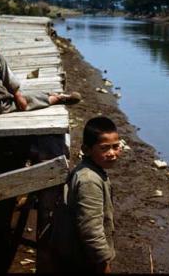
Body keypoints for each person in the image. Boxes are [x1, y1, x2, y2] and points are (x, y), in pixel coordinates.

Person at [0, 9, 81, 121]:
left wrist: (17, 93)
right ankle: (55, 99)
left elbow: (6, 75)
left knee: (23, 97)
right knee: (25, 104)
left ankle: (54, 96)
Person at [53, 116, 120, 273]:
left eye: (115, 146)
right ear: (86, 150)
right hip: (83, 259)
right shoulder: (89, 181)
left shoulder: (90, 170)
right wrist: (103, 262)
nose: (112, 153)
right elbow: (90, 229)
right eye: (104, 148)